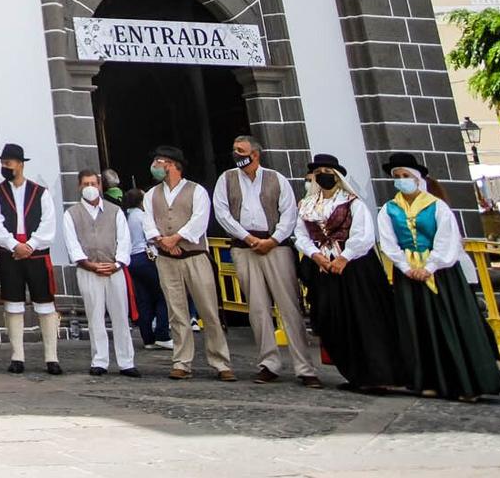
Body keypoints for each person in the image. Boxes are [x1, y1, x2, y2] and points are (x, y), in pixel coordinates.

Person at [377, 151, 500, 402]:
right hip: (409, 274)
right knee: (418, 327)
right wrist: (405, 267)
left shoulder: (437, 206)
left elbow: (447, 239)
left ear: (416, 178)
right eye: (397, 176)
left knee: (451, 324)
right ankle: (427, 381)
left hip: (441, 274)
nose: (401, 180)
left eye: (405, 175)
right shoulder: (389, 210)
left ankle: (465, 382)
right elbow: (388, 242)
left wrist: (431, 265)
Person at [213, 134, 321, 388]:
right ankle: (268, 363)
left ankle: (304, 367)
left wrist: (273, 239)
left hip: (276, 247)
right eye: (234, 150)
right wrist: (247, 237)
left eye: (241, 150)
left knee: (289, 306)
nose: (236, 154)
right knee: (258, 308)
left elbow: (288, 213)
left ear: (255, 154)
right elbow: (223, 212)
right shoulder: (226, 179)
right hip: (244, 246)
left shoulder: (276, 178)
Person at [293, 153, 402, 392]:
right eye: (319, 173)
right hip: (323, 267)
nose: (323, 177)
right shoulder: (307, 205)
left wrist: (345, 257)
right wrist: (316, 255)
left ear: (337, 176)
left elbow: (363, 235)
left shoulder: (353, 202)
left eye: (329, 173)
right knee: (332, 320)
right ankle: (353, 373)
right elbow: (300, 234)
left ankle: (377, 374)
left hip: (354, 268)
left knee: (364, 319)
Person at [146, 144, 233, 381]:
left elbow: (199, 220)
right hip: (166, 258)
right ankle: (182, 361)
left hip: (194, 256)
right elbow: (148, 222)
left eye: (160, 161)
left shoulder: (196, 191)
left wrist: (176, 238)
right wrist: (163, 241)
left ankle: (221, 361)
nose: (156, 166)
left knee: (208, 309)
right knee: (176, 311)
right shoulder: (151, 194)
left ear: (173, 165)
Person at [0, 143, 60, 375]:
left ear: (20, 164)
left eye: (8, 163)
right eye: (3, 163)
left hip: (36, 254)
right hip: (11, 254)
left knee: (45, 304)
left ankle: (51, 357)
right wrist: (14, 245)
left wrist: (31, 244)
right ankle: (17, 356)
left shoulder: (41, 192)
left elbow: (48, 223)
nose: (5, 167)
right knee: (13, 304)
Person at [63, 169, 139, 378]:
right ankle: (99, 360)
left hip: (114, 269)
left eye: (93, 184)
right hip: (88, 269)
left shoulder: (115, 211)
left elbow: (124, 241)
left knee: (120, 316)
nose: (90, 188)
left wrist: (117, 264)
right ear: (80, 187)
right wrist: (89, 264)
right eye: (85, 184)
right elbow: (72, 244)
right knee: (94, 315)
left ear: (100, 186)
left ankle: (126, 361)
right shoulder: (72, 214)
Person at [122, 188, 172, 351]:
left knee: (143, 299)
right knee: (162, 294)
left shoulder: (127, 216)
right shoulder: (141, 216)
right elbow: (150, 237)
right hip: (145, 257)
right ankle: (162, 334)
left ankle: (147, 338)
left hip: (132, 260)